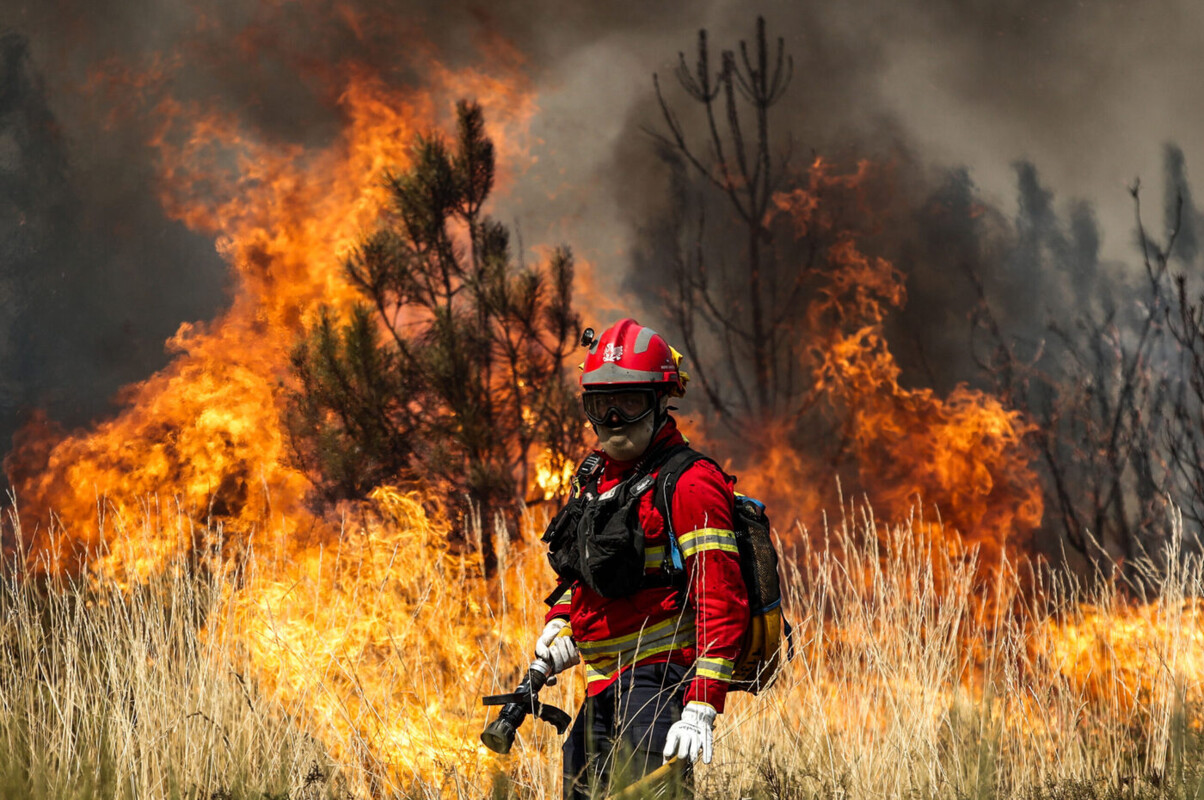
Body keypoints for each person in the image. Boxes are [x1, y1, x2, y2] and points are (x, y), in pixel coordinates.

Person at [536, 318, 749, 799]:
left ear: (659, 401)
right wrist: (562, 622)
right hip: (601, 690)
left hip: (658, 687)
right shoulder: (595, 478)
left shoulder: (691, 484)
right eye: (600, 403)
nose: (613, 418)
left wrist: (701, 705)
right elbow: (589, 571)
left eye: (628, 402)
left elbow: (723, 600)